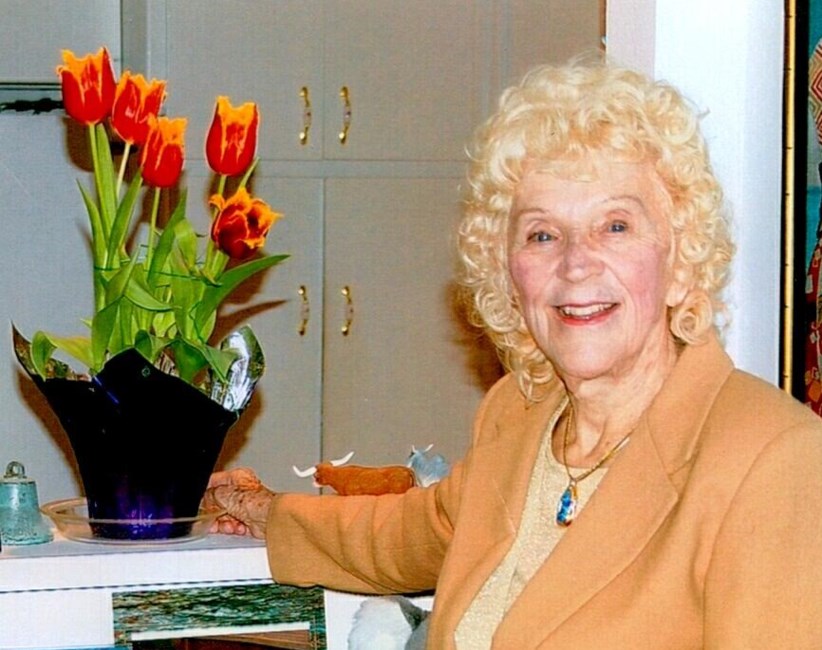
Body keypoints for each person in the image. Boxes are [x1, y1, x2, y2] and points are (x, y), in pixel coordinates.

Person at [205, 60, 822, 648]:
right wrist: (266, 511)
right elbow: (412, 533)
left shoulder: (773, 461)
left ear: (680, 260)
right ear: (507, 275)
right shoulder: (520, 416)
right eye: (542, 234)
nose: (575, 263)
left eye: (615, 226)